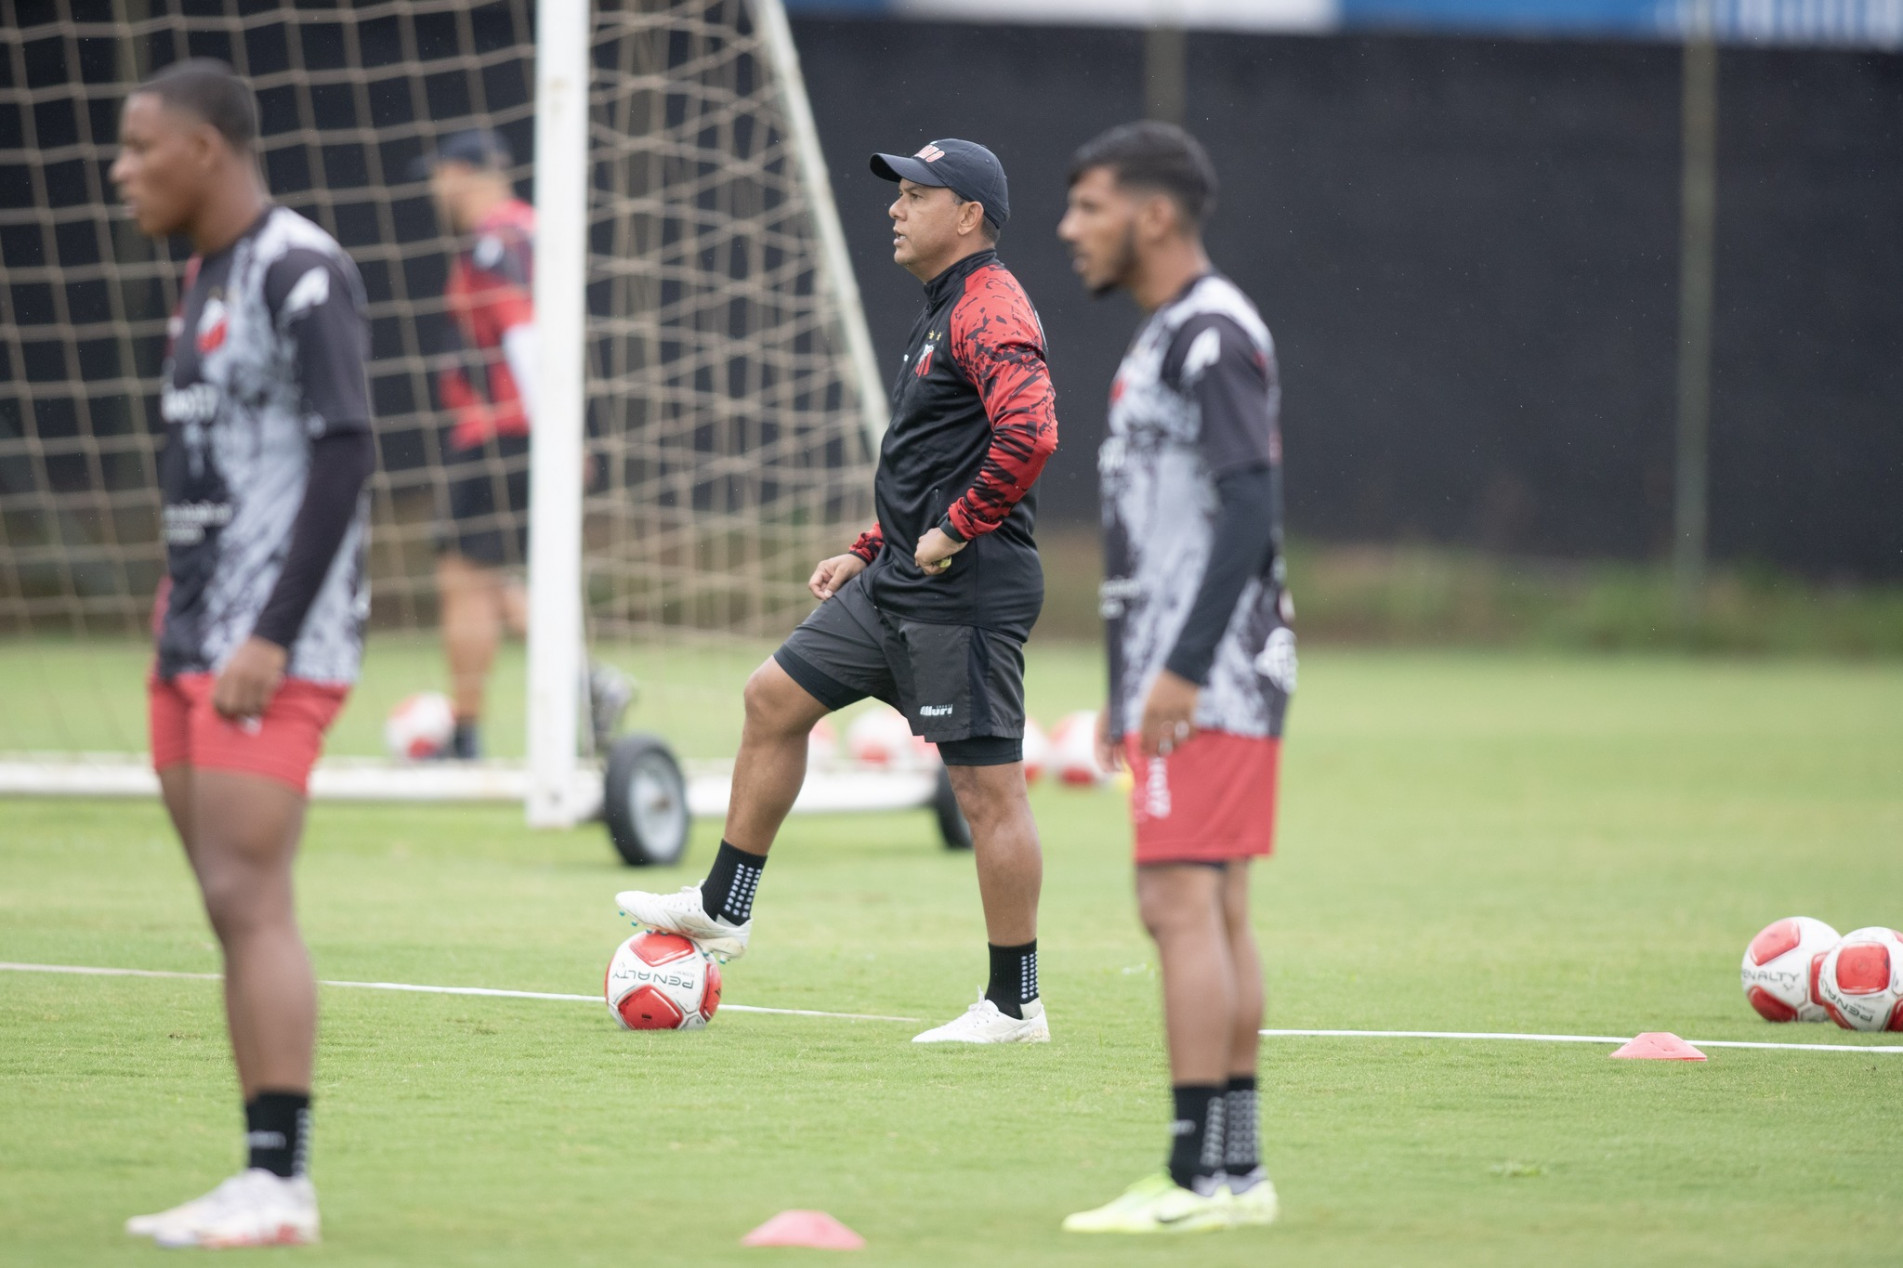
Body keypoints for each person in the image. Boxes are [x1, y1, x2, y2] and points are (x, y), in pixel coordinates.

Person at [615, 138, 1061, 1043]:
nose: (895, 209)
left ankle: (1015, 1006)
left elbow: (1032, 433)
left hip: (962, 587)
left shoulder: (991, 308)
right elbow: (937, 453)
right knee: (773, 698)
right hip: (899, 578)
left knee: (986, 796)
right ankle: (723, 905)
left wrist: (951, 530)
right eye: (896, 194)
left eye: (915, 195)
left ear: (967, 214)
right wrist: (869, 546)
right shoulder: (944, 307)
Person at [112, 59, 377, 1248]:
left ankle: (281, 1182)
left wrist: (269, 630)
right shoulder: (203, 273)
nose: (121, 171)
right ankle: (259, 1170)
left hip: (272, 643)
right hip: (192, 632)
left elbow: (346, 449)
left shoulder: (299, 267)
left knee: (247, 894)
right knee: (225, 904)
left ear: (205, 149)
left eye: (138, 147)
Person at [1056, 121, 1292, 1233]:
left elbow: (1251, 501)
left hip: (1213, 679)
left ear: (1153, 214)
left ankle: (1193, 1174)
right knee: (1214, 907)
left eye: (1089, 205)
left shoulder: (1209, 333)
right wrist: (1126, 682)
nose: (1070, 228)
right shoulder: (1168, 338)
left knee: (1177, 905)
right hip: (1195, 676)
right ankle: (1236, 1171)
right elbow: (1163, 529)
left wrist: (1181, 671)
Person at [418, 130, 628, 759]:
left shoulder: (493, 244)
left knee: (463, 578)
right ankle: (587, 684)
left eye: (439, 174)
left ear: (464, 173)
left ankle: (465, 734)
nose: (435, 189)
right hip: (529, 429)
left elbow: (523, 335)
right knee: (504, 581)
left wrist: (554, 431)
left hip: (500, 431)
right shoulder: (534, 230)